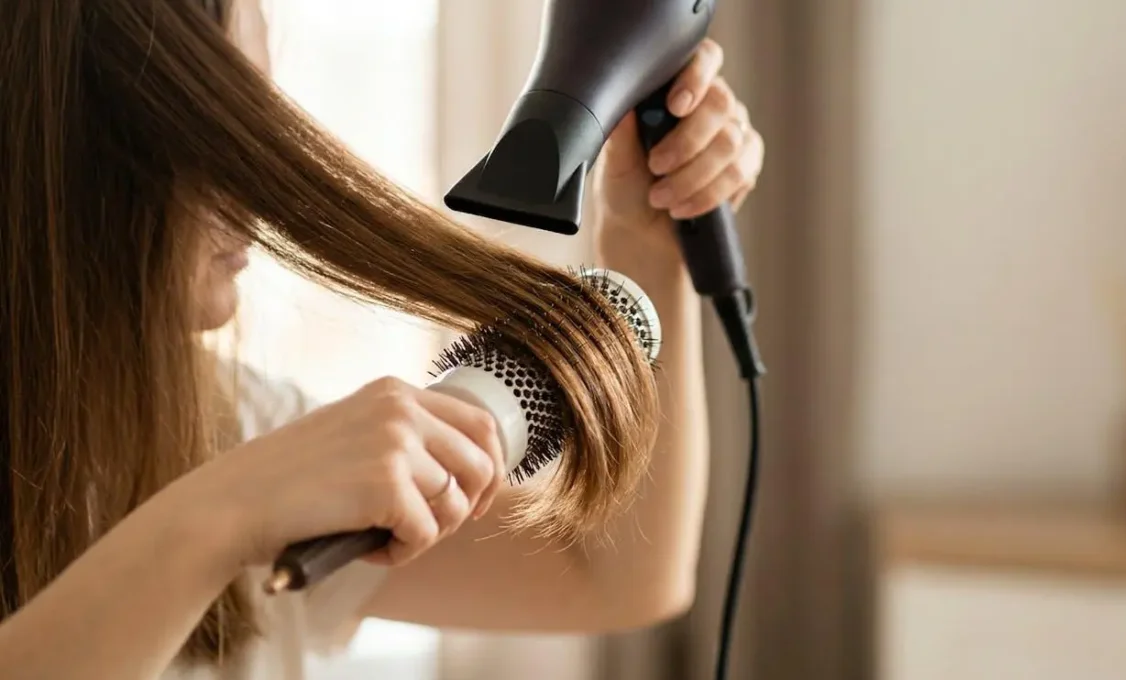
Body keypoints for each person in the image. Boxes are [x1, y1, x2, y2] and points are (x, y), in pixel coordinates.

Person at [0, 1, 764, 679]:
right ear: (82, 148)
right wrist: (223, 515)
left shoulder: (227, 423)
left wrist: (646, 243)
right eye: (226, 139)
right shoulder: (245, 471)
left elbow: (616, 578)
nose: (257, 194)